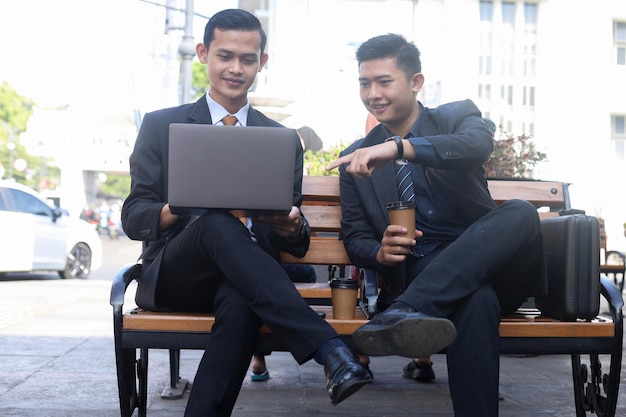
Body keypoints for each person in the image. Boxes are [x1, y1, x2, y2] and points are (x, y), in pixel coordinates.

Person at [121, 9, 371, 417]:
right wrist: (182, 205)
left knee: (241, 303)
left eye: (248, 59)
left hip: (247, 279)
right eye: (225, 56)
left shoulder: (281, 139)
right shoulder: (161, 126)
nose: (235, 68)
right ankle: (330, 349)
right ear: (203, 53)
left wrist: (292, 226)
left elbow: (299, 238)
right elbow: (134, 218)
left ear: (262, 63)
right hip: (175, 276)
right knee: (216, 222)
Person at [326, 33, 546, 417]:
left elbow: (476, 146)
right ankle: (412, 309)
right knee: (475, 300)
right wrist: (378, 252)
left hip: (492, 264)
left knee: (521, 212)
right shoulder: (353, 159)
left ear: (415, 82)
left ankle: (407, 310)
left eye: (384, 82)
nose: (373, 93)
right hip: (423, 268)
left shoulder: (455, 117)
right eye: (365, 83)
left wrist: (399, 147)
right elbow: (355, 235)